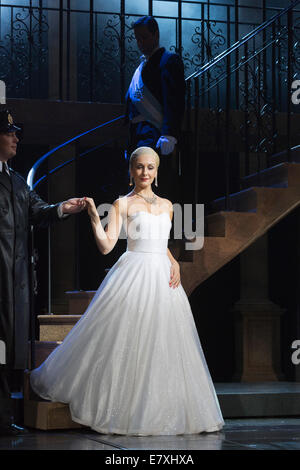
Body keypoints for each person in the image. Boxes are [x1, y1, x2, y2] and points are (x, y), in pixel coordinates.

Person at [30, 146, 224, 436]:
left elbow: (161, 242)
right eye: (139, 167)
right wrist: (95, 215)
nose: (145, 173)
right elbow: (107, 246)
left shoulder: (168, 205)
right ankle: (126, 408)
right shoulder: (122, 204)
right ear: (131, 170)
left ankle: (160, 409)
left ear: (156, 172)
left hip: (162, 277)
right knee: (129, 343)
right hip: (134, 272)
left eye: (150, 167)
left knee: (165, 345)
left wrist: (175, 263)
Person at [0, 108, 86, 435]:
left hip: (16, 280)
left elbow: (39, 211)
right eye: (9, 133)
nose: (16, 138)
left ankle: (4, 418)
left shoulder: (17, 181)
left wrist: (64, 208)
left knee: (10, 349)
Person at [125, 16, 186, 204]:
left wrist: (170, 134)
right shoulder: (141, 67)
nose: (140, 42)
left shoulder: (168, 60)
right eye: (138, 38)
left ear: (156, 34)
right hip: (138, 134)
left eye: (144, 37)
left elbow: (174, 99)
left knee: (153, 186)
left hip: (154, 134)